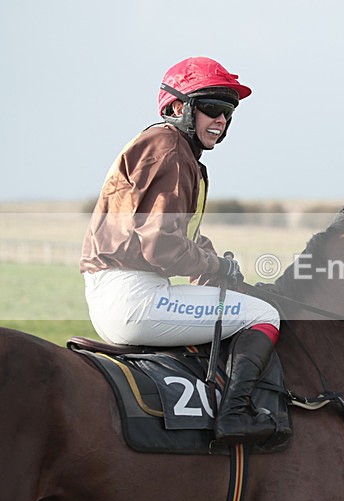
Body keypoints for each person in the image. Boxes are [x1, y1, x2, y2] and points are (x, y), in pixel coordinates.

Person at [80, 57, 281, 444]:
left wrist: (222, 272)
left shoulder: (173, 150)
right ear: (177, 108)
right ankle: (233, 418)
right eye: (212, 108)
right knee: (264, 314)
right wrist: (217, 267)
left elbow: (186, 240)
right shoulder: (171, 148)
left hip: (120, 293)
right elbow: (162, 246)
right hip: (136, 297)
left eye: (228, 111)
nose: (221, 120)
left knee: (244, 302)